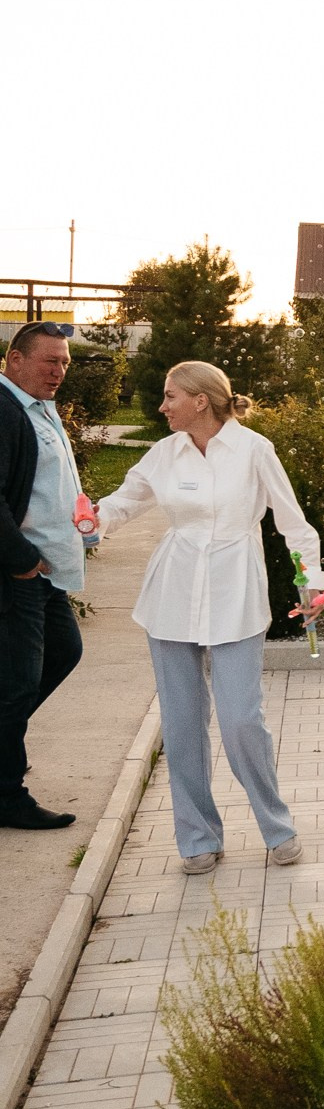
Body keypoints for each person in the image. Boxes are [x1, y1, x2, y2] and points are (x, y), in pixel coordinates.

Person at [90, 360, 324, 873]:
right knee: (181, 724)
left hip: (235, 595)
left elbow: (295, 525)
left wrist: (311, 582)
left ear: (201, 400)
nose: (161, 406)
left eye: (169, 396)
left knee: (243, 719)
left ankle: (276, 826)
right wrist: (92, 519)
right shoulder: (165, 452)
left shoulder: (254, 450)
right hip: (171, 596)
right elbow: (124, 502)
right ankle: (198, 837)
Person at [0, 321, 95, 830]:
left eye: (64, 362)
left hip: (46, 570)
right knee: (16, 685)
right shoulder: (4, 410)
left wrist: (82, 520)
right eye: (48, 361)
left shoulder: (38, 409)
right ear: (15, 361)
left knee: (63, 652)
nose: (58, 371)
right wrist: (19, 561)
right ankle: (7, 796)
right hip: (19, 573)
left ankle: (3, 750)